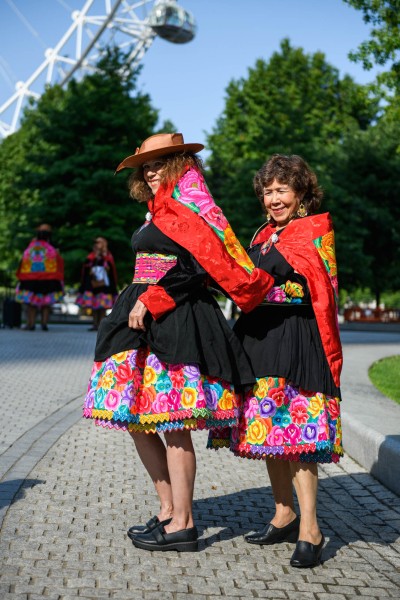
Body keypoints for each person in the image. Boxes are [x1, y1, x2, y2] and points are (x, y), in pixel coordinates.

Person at [83, 133, 274, 552]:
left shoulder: (193, 206)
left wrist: (154, 298)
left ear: (179, 163)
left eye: (159, 163)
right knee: (137, 422)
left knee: (173, 425)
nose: (149, 171)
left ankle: (184, 525)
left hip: (175, 316)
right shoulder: (157, 209)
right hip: (139, 316)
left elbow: (200, 267)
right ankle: (168, 510)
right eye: (144, 166)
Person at [208, 154, 343, 568]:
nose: (273, 198)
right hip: (259, 339)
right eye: (267, 191)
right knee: (269, 430)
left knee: (298, 435)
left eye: (281, 189)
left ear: (301, 193)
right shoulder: (261, 236)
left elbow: (313, 289)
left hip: (296, 338)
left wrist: (255, 289)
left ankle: (311, 529)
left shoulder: (314, 231)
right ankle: (284, 512)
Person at [15, 224, 64, 331]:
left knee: (33, 303)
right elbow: (59, 262)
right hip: (48, 278)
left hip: (31, 278)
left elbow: (24, 261)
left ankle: (32, 324)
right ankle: (42, 324)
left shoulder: (32, 246)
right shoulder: (52, 247)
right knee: (44, 302)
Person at [76, 236, 118, 331]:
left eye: (99, 242)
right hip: (93, 285)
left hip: (105, 286)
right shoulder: (91, 256)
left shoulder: (108, 256)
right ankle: (95, 324)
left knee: (102, 307)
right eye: (96, 243)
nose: (96, 244)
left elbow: (111, 271)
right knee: (94, 306)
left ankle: (101, 326)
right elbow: (86, 268)